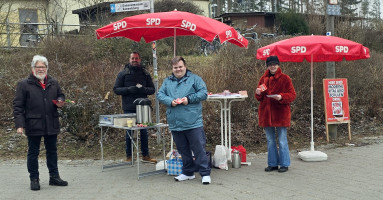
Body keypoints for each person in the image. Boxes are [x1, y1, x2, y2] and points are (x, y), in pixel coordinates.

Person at [13, 55, 68, 191]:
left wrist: (61, 101)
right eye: (38, 67)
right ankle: (34, 179)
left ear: (47, 68)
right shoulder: (24, 84)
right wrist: (20, 124)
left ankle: (54, 177)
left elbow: (61, 95)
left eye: (43, 67)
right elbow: (18, 106)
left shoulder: (53, 82)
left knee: (52, 151)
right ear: (33, 68)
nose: (41, 69)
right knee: (33, 152)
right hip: (33, 123)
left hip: (51, 121)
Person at [157, 56, 211, 185]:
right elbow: (160, 95)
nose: (178, 69)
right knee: (183, 149)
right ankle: (188, 172)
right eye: (175, 67)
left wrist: (189, 99)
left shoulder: (195, 79)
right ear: (172, 68)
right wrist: (170, 101)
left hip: (193, 122)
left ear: (185, 66)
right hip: (175, 122)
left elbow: (203, 93)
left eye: (180, 67)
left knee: (198, 148)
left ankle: (205, 173)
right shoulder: (167, 81)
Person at [255, 55, 296, 173]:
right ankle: (272, 163)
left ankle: (284, 164)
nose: (272, 66)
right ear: (267, 66)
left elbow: (292, 95)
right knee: (270, 140)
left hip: (280, 114)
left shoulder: (285, 78)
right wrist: (258, 93)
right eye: (270, 65)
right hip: (266, 114)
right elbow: (259, 97)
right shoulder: (263, 79)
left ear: (278, 65)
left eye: (274, 64)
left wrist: (281, 97)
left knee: (282, 140)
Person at [113, 52, 157, 163]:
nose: (134, 60)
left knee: (144, 132)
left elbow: (152, 89)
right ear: (129, 59)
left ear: (140, 59)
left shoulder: (145, 73)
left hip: (143, 108)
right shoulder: (123, 73)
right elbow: (116, 89)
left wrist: (144, 90)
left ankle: (145, 155)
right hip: (128, 107)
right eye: (132, 58)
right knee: (129, 133)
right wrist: (128, 90)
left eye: (136, 58)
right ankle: (129, 156)